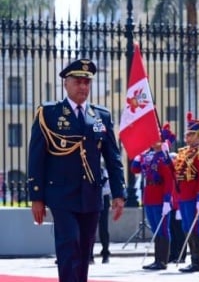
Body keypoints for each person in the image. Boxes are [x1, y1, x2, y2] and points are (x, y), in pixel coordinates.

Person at [28, 58, 126, 282]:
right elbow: (36, 157)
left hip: (91, 195)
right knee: (69, 243)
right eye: (78, 82)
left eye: (87, 82)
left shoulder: (100, 116)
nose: (83, 87)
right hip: (61, 194)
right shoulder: (49, 114)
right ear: (66, 83)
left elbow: (112, 157)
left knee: (84, 250)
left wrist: (119, 193)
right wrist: (36, 196)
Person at [130, 123, 176, 270]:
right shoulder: (148, 156)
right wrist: (138, 156)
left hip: (160, 198)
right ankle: (157, 259)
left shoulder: (165, 158)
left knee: (162, 229)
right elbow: (135, 169)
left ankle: (163, 261)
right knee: (156, 228)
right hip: (149, 197)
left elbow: (169, 180)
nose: (152, 141)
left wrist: (167, 200)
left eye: (156, 139)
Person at [172, 112, 199, 273]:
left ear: (198, 136)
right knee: (187, 227)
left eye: (191, 135)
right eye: (187, 134)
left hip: (195, 197)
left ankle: (198, 261)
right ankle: (193, 260)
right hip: (184, 197)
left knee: (195, 228)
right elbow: (176, 174)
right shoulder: (183, 153)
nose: (187, 138)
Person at [92, 165, 111, 264]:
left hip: (103, 198)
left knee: (103, 227)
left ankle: (105, 253)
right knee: (90, 228)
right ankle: (89, 255)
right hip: (91, 198)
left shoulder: (103, 170)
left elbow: (108, 188)